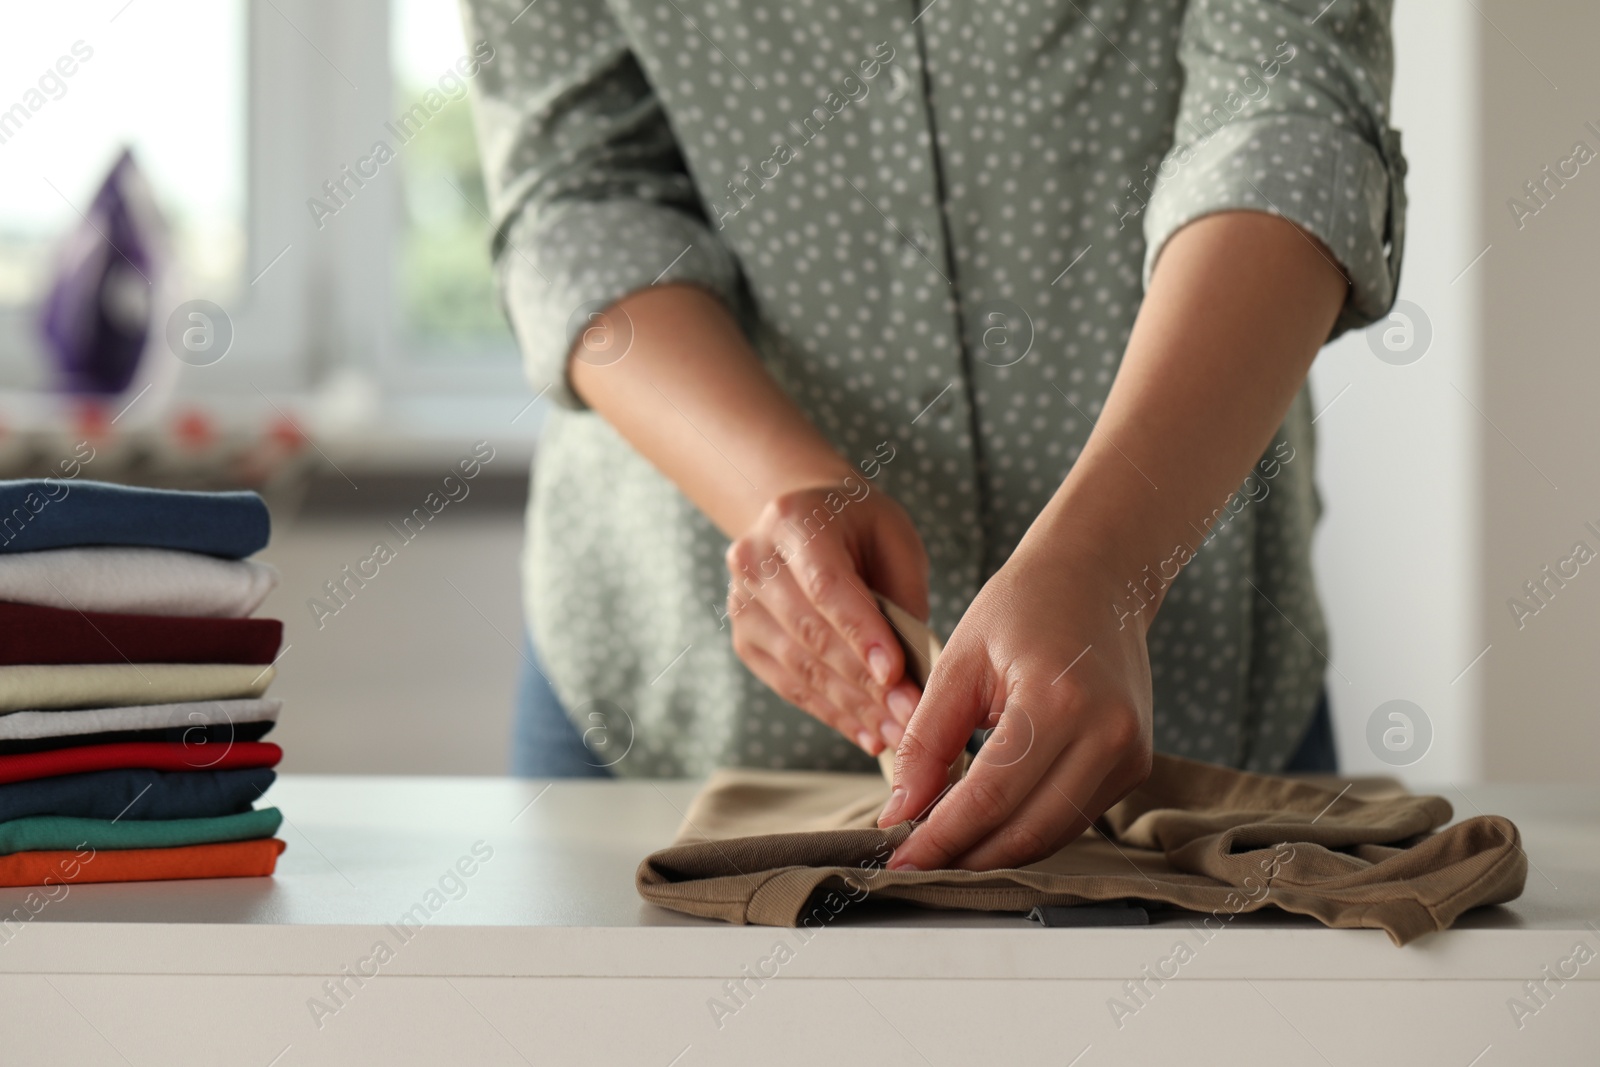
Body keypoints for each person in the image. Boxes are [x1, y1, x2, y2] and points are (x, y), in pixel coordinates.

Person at [462, 0, 1404, 873]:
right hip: (666, 705)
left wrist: (1110, 560)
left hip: (1195, 711)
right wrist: (774, 495)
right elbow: (580, 196)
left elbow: (1288, 118)